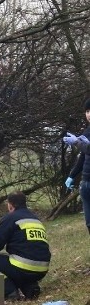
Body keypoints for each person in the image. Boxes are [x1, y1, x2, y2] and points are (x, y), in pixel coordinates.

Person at [0, 191, 51, 300]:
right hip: (41, 269)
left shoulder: (11, 218)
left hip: (23, 267)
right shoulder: (36, 219)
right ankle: (30, 287)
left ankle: (8, 291)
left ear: (10, 205)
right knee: (10, 262)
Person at [64, 97, 90, 236]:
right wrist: (72, 175)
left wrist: (78, 143)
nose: (89, 114)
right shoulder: (87, 132)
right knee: (89, 222)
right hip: (86, 182)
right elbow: (83, 156)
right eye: (87, 111)